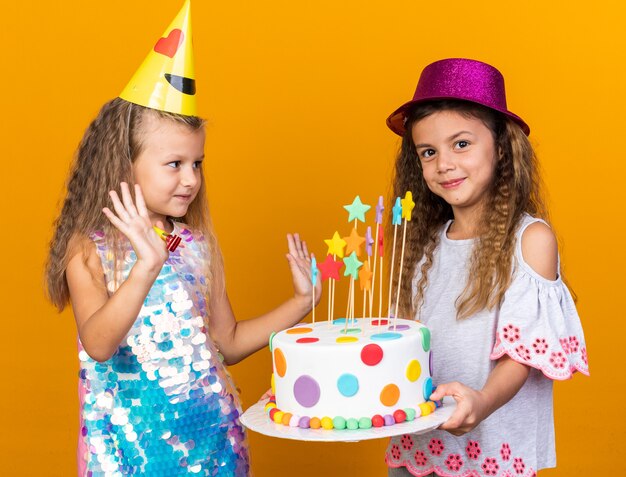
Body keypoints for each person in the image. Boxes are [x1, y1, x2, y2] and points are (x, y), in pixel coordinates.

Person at [45, 2, 319, 475]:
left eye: (198, 163)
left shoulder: (198, 245)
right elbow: (99, 344)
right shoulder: (87, 247)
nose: (191, 179)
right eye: (174, 164)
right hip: (128, 454)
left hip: (214, 444)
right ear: (125, 163)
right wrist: (146, 265)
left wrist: (301, 301)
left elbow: (226, 341)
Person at [384, 58, 588, 477]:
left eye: (461, 144)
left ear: (500, 146)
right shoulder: (423, 247)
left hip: (490, 455)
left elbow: (523, 354)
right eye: (429, 151)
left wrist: (481, 401)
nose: (444, 163)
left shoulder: (529, 240)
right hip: (418, 449)